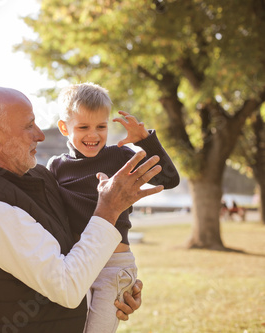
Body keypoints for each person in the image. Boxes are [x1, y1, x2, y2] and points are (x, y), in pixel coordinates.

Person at [0, 86, 164, 332]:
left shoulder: (37, 177)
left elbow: (72, 252)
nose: (40, 135)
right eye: (29, 126)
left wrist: (114, 289)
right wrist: (109, 209)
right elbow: (67, 287)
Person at [47, 82, 180, 332]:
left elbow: (169, 179)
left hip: (114, 266)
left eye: (101, 126)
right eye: (83, 127)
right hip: (76, 264)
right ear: (64, 128)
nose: (93, 135)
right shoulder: (56, 167)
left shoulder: (120, 157)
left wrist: (146, 142)